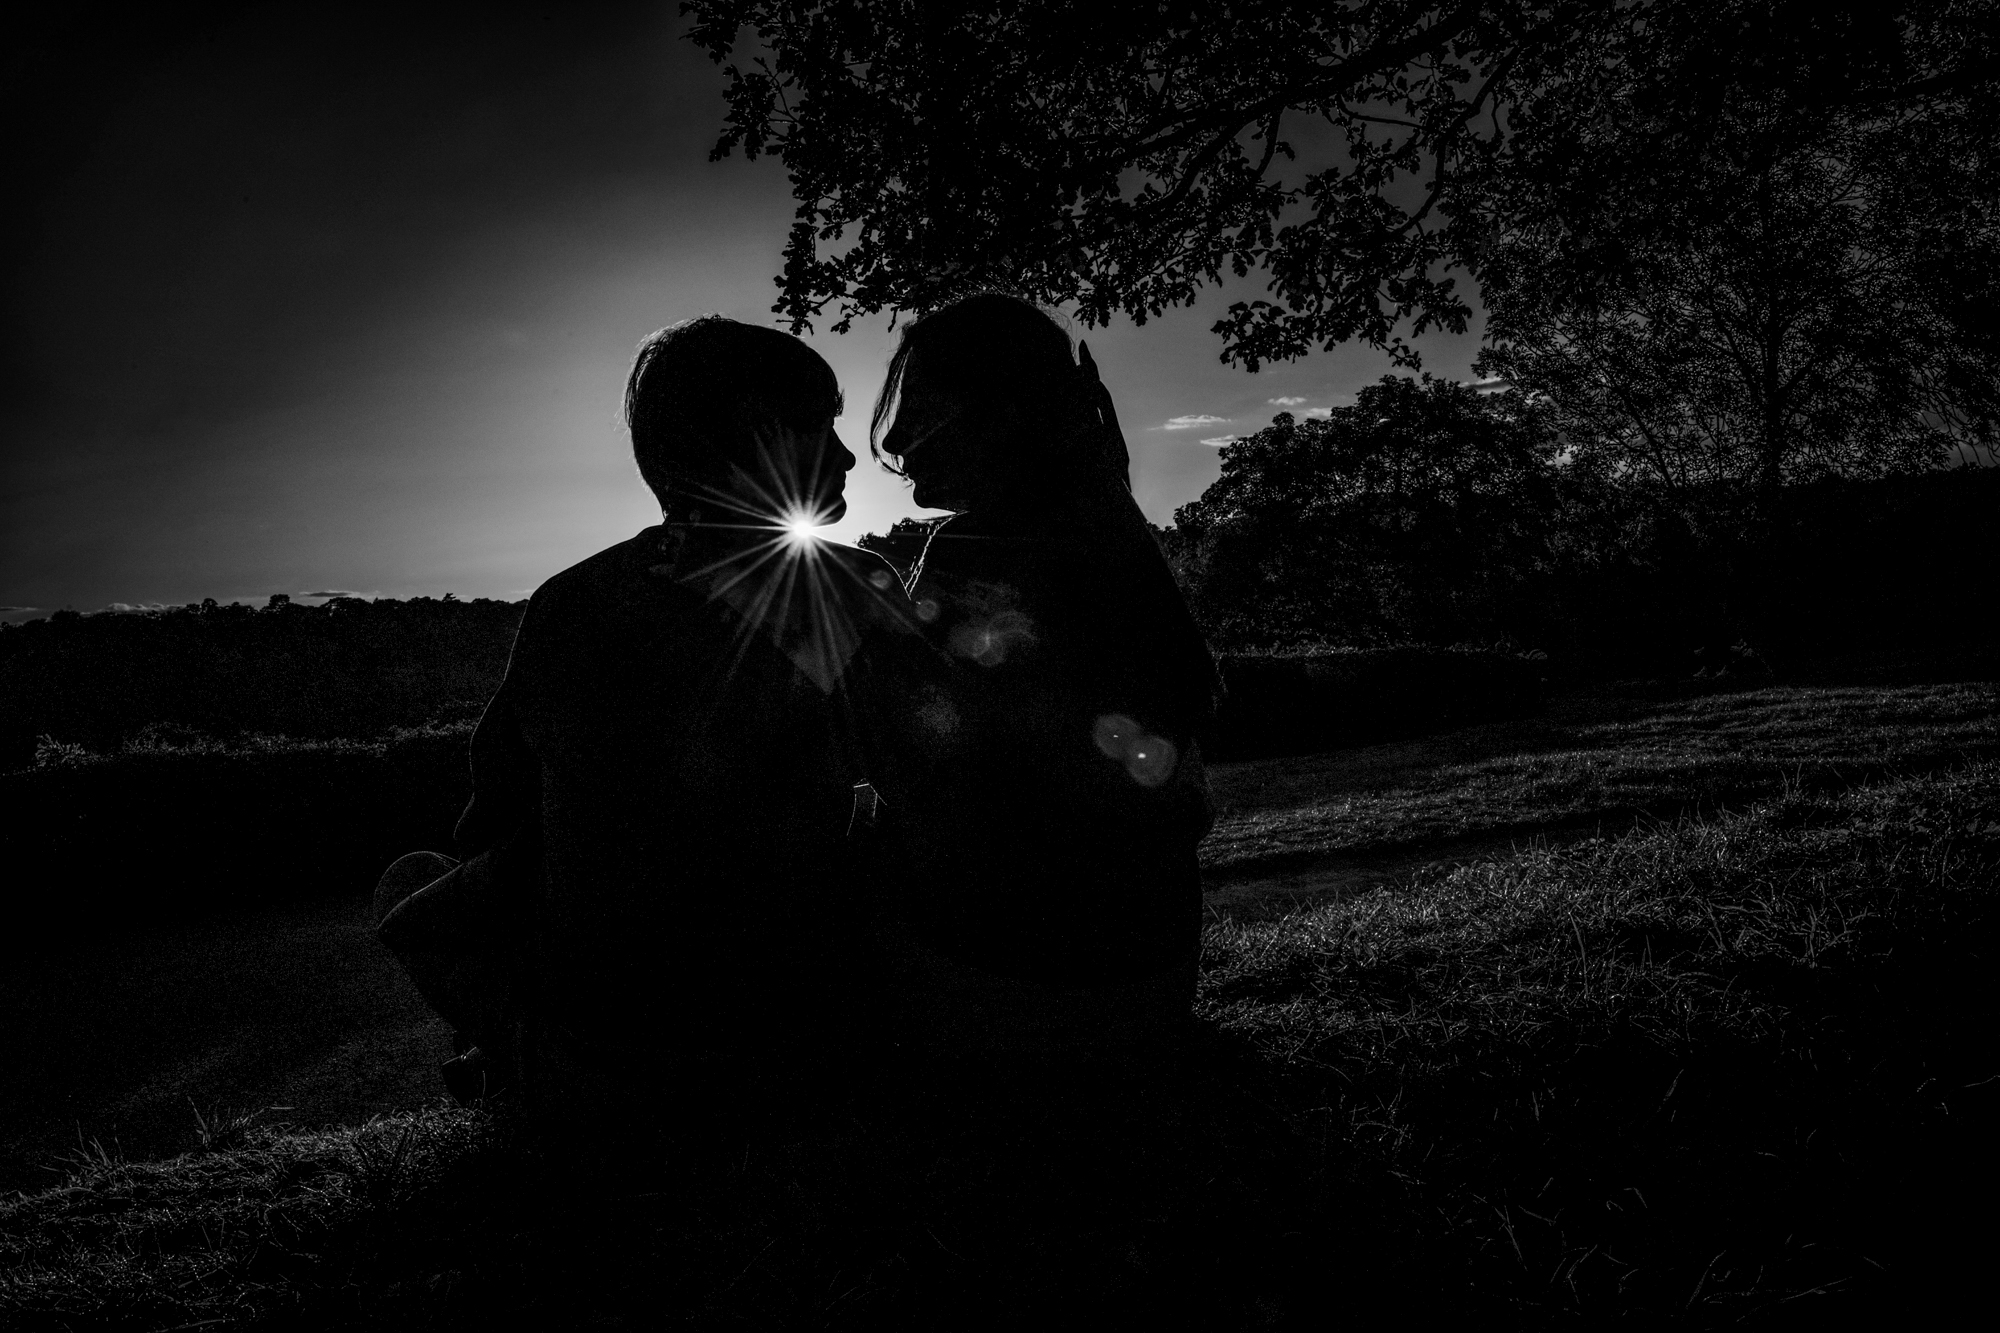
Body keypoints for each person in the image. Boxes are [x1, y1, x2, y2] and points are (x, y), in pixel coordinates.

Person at [374, 314, 914, 1131]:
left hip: (616, 1067)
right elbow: (916, 766)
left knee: (413, 880)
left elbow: (495, 810)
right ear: (764, 438)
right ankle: (511, 1055)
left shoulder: (572, 602)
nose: (845, 456)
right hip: (811, 1040)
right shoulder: (859, 585)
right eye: (823, 427)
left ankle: (505, 1054)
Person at [863, 293, 1222, 1065]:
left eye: (920, 401)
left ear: (995, 413)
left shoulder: (978, 547)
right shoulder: (1106, 526)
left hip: (1023, 991)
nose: (892, 436)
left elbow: (905, 765)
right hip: (1152, 972)